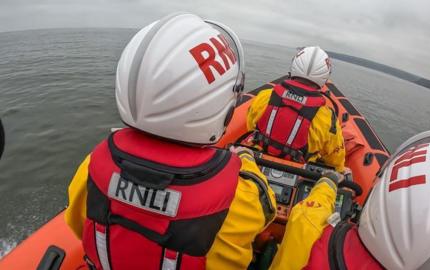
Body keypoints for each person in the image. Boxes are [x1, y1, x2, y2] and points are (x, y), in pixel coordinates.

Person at [65, 13, 276, 270]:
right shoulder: (239, 194)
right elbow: (267, 214)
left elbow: (78, 225)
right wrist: (245, 160)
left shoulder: (94, 166)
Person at [270, 130, 430, 269]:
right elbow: (336, 158)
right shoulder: (326, 117)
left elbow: (311, 209)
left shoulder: (306, 224)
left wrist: (329, 181)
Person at [246, 46, 346, 172]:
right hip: (299, 172)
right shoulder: (327, 119)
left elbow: (250, 127)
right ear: (325, 77)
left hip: (256, 164)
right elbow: (335, 159)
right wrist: (341, 171)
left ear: (294, 66)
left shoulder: (264, 96)